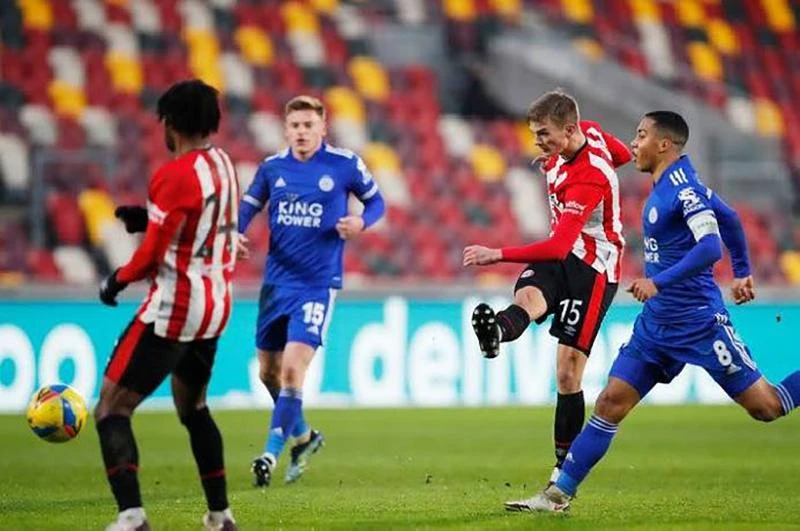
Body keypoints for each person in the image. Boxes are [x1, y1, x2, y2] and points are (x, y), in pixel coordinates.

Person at [505, 111, 800, 513]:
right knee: (610, 402)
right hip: (656, 327)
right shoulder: (669, 183)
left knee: (768, 407)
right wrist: (744, 272)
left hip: (699, 323)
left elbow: (712, 246)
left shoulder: (682, 190)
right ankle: (557, 496)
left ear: (664, 145)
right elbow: (729, 218)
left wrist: (660, 282)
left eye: (641, 135)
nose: (634, 143)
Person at [463, 90, 631, 485]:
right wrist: (554, 156)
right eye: (536, 134)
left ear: (570, 129)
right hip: (564, 254)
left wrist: (496, 254)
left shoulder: (588, 176)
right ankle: (497, 333)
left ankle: (563, 469)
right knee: (529, 297)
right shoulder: (589, 134)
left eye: (544, 135)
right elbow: (624, 155)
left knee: (567, 373)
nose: (538, 142)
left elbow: (555, 245)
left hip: (594, 268)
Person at [96, 79, 239, 530]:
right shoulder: (224, 165)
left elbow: (151, 258)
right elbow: (197, 221)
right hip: (216, 306)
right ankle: (221, 515)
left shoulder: (173, 174)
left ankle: (132, 516)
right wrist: (148, 217)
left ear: (170, 124)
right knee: (193, 408)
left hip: (176, 308)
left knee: (111, 409)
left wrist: (115, 282)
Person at [238, 95, 385, 487]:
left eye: (309, 125)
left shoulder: (344, 164)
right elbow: (248, 206)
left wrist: (361, 222)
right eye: (296, 126)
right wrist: (235, 233)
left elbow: (377, 203)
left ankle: (269, 454)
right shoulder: (272, 168)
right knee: (268, 373)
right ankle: (303, 437)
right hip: (275, 284)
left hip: (317, 285)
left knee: (291, 370)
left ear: (323, 128)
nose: (302, 132)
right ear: (286, 130)